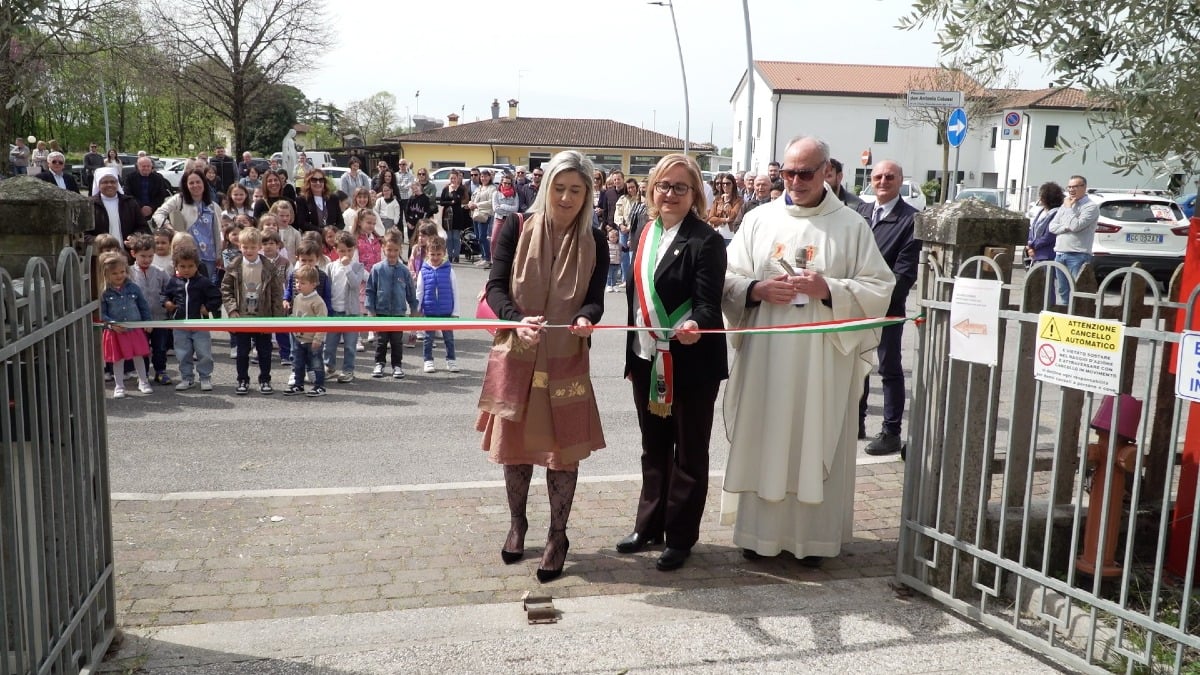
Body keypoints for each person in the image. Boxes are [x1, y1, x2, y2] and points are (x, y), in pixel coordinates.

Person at [721, 136, 894, 565]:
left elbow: (880, 287)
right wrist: (757, 289)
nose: (795, 181)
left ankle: (812, 542)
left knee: (814, 435)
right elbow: (726, 278)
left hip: (823, 360)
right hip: (767, 354)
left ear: (827, 173)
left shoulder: (851, 225)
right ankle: (758, 536)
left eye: (805, 173)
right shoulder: (759, 220)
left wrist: (830, 289)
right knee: (766, 435)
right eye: (788, 173)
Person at [477, 150, 608, 583]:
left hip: (565, 357)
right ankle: (518, 525)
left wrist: (587, 317)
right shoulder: (514, 225)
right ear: (546, 185)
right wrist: (516, 321)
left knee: (562, 452)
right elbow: (495, 289)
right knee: (515, 451)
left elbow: (595, 298)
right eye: (559, 187)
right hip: (517, 353)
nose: (566, 197)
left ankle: (558, 536)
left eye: (576, 190)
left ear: (587, 193)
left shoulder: (596, 237)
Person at [614, 154, 727, 572]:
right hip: (646, 361)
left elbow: (709, 305)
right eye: (664, 185)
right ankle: (649, 526)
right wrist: (633, 354)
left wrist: (698, 323)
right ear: (651, 189)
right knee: (653, 448)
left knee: (689, 454)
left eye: (681, 187)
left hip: (691, 365)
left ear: (695, 193)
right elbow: (634, 301)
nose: (670, 194)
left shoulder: (706, 241)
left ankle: (680, 537)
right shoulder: (646, 232)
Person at [853, 159, 921, 455]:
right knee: (858, 366)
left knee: (889, 368)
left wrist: (867, 293)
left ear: (900, 180)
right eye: (878, 176)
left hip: (887, 306)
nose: (883, 181)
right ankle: (855, 423)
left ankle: (891, 431)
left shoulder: (911, 219)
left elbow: (904, 274)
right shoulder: (861, 213)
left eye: (889, 177)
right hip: (855, 304)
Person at [221, 226, 283, 395]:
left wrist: (277, 318)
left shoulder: (268, 267)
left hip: (263, 316)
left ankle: (265, 380)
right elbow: (226, 290)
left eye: (252, 247)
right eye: (245, 247)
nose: (248, 250)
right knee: (242, 352)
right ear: (240, 246)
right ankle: (242, 380)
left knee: (264, 351)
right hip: (242, 317)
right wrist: (232, 309)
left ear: (259, 247)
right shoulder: (234, 266)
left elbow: (277, 293)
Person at [163, 246, 221, 392]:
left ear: (197, 266)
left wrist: (207, 308)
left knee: (204, 353)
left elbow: (216, 297)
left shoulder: (203, 282)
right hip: (180, 325)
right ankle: (187, 378)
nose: (186, 269)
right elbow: (164, 295)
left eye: (190, 266)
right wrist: (167, 303)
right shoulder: (173, 282)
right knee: (183, 354)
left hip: (199, 324)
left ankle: (205, 377)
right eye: (182, 266)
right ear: (176, 266)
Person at [98, 252, 154, 399]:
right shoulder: (104, 293)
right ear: (106, 274)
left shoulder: (133, 288)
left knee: (138, 356)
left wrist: (148, 322)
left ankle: (143, 381)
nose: (119, 275)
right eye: (114, 273)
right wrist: (111, 324)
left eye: (122, 271)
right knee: (118, 360)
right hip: (115, 331)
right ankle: (119, 385)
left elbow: (143, 306)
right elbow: (101, 314)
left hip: (134, 329)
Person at [366, 230, 419, 380]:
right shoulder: (377, 269)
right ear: (384, 248)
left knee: (397, 341)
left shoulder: (404, 271)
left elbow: (410, 291)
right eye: (389, 249)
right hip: (381, 312)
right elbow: (370, 291)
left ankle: (397, 365)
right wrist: (371, 310)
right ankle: (379, 363)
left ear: (400, 249)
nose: (392, 253)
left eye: (396, 250)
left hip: (398, 313)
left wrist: (414, 308)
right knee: (381, 341)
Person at [153, 168, 222, 284]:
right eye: (191, 183)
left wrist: (219, 254)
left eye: (198, 182)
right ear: (186, 185)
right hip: (186, 256)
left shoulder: (212, 205)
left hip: (209, 256)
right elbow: (158, 214)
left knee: (206, 288)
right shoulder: (179, 200)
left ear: (204, 183)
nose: (195, 185)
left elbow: (216, 232)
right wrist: (173, 231)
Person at [128, 233, 173, 385]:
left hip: (159, 317)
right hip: (139, 320)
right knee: (143, 348)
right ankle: (144, 373)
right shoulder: (128, 274)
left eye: (150, 256)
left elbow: (169, 290)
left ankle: (160, 371)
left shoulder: (160, 272)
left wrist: (167, 302)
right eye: (143, 256)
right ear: (133, 254)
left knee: (160, 347)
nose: (147, 260)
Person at [324, 231, 366, 384]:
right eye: (342, 250)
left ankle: (348, 370)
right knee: (329, 344)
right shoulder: (330, 267)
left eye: (349, 250)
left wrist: (348, 267)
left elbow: (355, 284)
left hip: (351, 313)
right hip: (334, 311)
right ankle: (329, 367)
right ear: (335, 250)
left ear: (354, 249)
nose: (346, 253)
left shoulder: (358, 267)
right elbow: (326, 288)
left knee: (349, 345)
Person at [1049, 174, 1099, 304]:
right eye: (1069, 187)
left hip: (1078, 255)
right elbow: (1052, 227)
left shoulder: (1090, 207)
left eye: (1075, 186)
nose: (1071, 190)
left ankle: (1075, 317)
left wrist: (1069, 209)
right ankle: (1065, 317)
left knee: (1077, 291)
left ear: (1084, 187)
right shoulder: (1065, 205)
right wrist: (1066, 227)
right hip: (1060, 253)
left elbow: (1075, 226)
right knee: (1063, 290)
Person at [416, 236, 459, 374]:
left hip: (446, 311)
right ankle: (428, 360)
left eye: (438, 254)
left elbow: (455, 291)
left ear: (444, 253)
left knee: (449, 339)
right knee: (428, 338)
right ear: (427, 253)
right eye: (432, 254)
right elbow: (419, 291)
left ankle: (451, 360)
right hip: (430, 310)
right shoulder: (423, 271)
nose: (435, 257)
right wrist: (416, 310)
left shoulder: (449, 270)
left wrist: (455, 312)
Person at [284, 264, 328, 397]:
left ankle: (319, 386)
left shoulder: (317, 302)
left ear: (313, 284)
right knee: (298, 363)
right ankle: (298, 385)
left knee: (316, 364)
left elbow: (323, 322)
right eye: (297, 282)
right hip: (298, 338)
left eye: (302, 283)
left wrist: (318, 339)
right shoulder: (297, 298)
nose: (298, 285)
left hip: (313, 340)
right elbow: (296, 316)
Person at [88, 168, 150, 253]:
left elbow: (143, 227)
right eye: (105, 182)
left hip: (126, 254)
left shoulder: (130, 203)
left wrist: (134, 237)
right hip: (99, 255)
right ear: (98, 184)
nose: (109, 185)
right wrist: (98, 240)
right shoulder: (90, 204)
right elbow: (82, 234)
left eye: (113, 182)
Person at [1026, 182, 1064, 266]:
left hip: (1047, 255)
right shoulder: (1041, 211)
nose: (1039, 198)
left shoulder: (1057, 213)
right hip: (1036, 255)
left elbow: (1049, 235)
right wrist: (1029, 244)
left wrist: (1033, 245)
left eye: (1041, 195)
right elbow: (1032, 228)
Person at [437, 169, 471, 263]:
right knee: (449, 237)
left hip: (457, 215)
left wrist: (454, 191)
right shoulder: (445, 188)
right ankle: (450, 255)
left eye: (455, 178)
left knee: (456, 237)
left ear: (458, 178)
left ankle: (456, 255)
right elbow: (442, 202)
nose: (453, 180)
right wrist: (450, 202)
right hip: (447, 216)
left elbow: (459, 200)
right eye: (451, 178)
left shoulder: (461, 189)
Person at [298, 168, 345, 232]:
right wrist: (322, 231)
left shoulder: (333, 198)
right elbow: (302, 223)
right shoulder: (302, 200)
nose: (318, 183)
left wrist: (333, 232)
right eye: (314, 180)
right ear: (308, 182)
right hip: (312, 238)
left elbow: (341, 223)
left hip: (332, 238)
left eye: (321, 180)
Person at [468, 168, 497, 267]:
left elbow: (490, 202)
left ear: (490, 177)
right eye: (482, 176)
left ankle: (487, 258)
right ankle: (483, 256)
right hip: (475, 215)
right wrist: (470, 203)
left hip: (485, 215)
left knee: (483, 237)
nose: (483, 178)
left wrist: (477, 205)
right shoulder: (478, 188)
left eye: (486, 176)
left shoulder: (492, 188)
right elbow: (472, 198)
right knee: (478, 237)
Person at [707, 171, 743, 244]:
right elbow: (711, 218)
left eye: (728, 183)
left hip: (731, 236)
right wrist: (725, 220)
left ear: (733, 185)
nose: (725, 186)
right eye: (723, 184)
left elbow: (733, 216)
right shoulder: (717, 200)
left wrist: (727, 202)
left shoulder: (739, 200)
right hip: (718, 234)